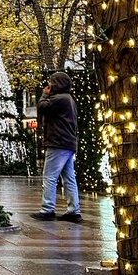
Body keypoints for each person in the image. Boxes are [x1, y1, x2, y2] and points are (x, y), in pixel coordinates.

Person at [32, 70, 82, 222]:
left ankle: (47, 208)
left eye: (51, 82)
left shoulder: (59, 99)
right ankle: (74, 210)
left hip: (57, 142)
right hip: (68, 143)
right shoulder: (69, 99)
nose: (49, 85)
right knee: (69, 177)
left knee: (50, 177)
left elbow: (42, 108)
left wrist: (44, 95)